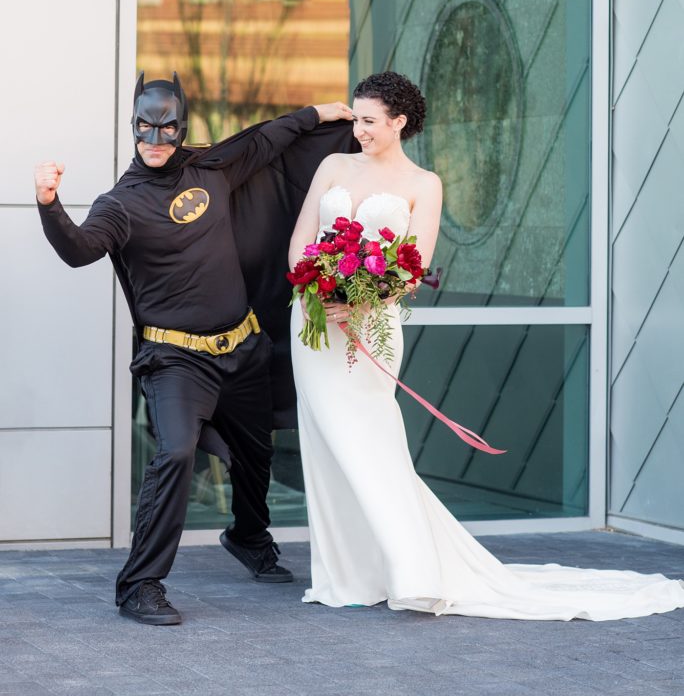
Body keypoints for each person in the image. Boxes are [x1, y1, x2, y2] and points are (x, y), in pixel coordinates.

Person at [288, 70, 684, 621]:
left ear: (400, 122)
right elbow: (300, 242)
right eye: (356, 118)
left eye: (370, 121)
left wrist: (356, 301)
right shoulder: (333, 165)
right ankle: (351, 573)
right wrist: (316, 287)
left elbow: (412, 268)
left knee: (371, 443)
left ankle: (415, 571)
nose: (359, 130)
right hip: (313, 327)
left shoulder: (424, 184)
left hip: (370, 326)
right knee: (329, 446)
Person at [35, 71, 353, 626]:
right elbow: (80, 249)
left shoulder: (212, 167)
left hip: (243, 347)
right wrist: (48, 203)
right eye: (145, 128)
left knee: (257, 452)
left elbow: (266, 137)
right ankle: (139, 585)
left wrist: (320, 114)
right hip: (176, 361)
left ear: (181, 129)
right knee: (177, 452)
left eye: (166, 129)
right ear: (133, 126)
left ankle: (248, 536)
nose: (154, 140)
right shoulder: (121, 205)